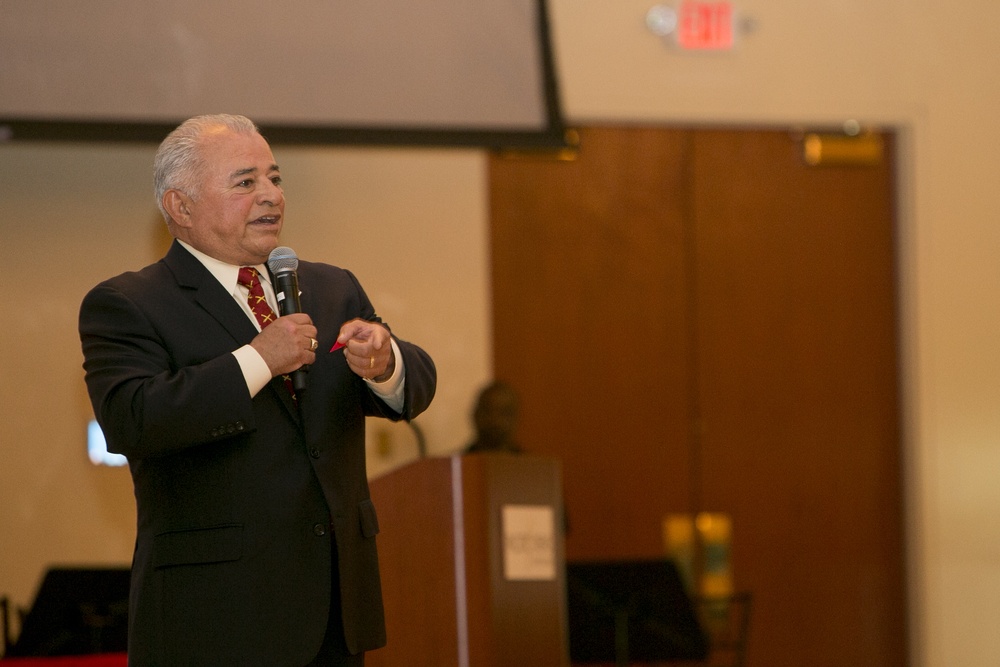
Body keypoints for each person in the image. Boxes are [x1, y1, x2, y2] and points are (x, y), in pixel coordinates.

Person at [78, 114, 436, 666]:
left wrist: (386, 363)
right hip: (214, 619)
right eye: (245, 182)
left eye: (275, 178)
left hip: (336, 616)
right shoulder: (129, 303)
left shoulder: (330, 287)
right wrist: (257, 360)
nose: (270, 195)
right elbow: (132, 419)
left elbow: (413, 389)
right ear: (181, 207)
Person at [464, 380, 522, 454]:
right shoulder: (457, 463)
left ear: (515, 417)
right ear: (475, 415)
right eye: (487, 411)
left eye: (504, 413)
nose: (495, 420)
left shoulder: (530, 465)